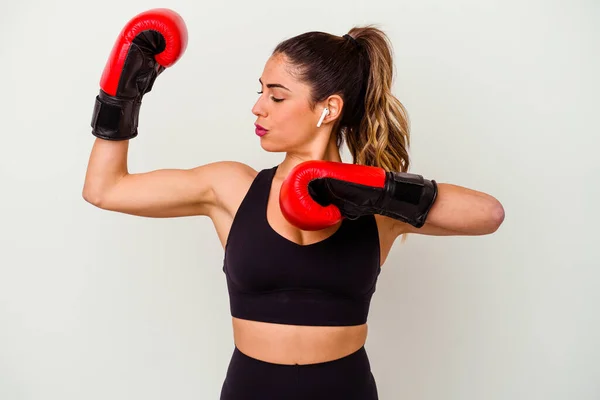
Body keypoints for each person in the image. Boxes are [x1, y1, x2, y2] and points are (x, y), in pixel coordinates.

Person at [82, 8, 505, 400]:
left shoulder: (376, 206)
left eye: (277, 96)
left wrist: (369, 190)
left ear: (328, 108)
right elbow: (106, 189)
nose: (257, 106)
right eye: (261, 91)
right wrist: (121, 92)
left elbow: (489, 214)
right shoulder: (232, 187)